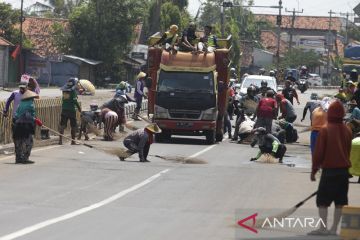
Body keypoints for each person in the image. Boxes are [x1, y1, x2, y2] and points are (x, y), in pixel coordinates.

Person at [309, 100, 352, 236]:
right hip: (344, 172)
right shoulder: (348, 130)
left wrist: (314, 170)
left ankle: (323, 228)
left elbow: (318, 153)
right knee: (340, 201)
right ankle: (334, 229)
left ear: (330, 114)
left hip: (329, 171)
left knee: (322, 201)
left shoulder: (325, 130)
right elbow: (348, 151)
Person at [12, 90, 42, 164]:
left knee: (19, 142)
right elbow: (28, 116)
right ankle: (25, 158)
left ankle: (18, 158)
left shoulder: (20, 104)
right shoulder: (31, 105)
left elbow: (16, 115)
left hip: (18, 125)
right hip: (26, 125)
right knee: (29, 142)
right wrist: (36, 120)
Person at [59, 78, 82, 145]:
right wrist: (79, 108)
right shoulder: (73, 92)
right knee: (73, 126)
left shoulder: (64, 91)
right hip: (71, 110)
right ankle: (73, 141)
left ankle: (60, 141)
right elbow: (75, 101)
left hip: (64, 110)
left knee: (62, 125)